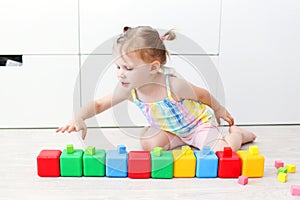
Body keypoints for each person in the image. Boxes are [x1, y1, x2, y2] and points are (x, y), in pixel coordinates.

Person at [56, 26, 256, 152]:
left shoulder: (174, 85)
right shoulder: (129, 89)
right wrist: (79, 117)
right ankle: (179, 141)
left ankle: (237, 134)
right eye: (118, 67)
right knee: (148, 144)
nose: (120, 73)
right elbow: (99, 104)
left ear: (153, 67)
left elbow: (203, 95)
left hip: (196, 126)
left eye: (128, 68)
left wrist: (219, 109)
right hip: (169, 129)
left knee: (222, 151)